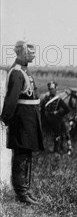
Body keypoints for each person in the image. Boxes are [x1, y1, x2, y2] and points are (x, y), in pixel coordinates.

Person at [0, 41, 44, 205]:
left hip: (28, 119)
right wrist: (5, 118)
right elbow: (11, 100)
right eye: (29, 51)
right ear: (20, 53)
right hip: (22, 119)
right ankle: (21, 193)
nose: (32, 53)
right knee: (21, 156)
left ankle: (25, 190)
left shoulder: (24, 70)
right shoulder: (17, 72)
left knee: (26, 155)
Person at [41, 81, 71, 155]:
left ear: (55, 89)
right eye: (50, 89)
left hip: (55, 119)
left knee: (57, 133)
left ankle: (56, 150)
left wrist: (58, 113)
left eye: (53, 89)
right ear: (49, 90)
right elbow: (42, 110)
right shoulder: (45, 99)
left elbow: (67, 109)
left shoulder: (58, 100)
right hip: (47, 118)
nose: (52, 90)